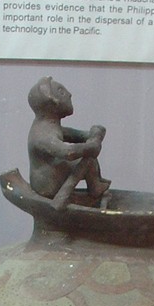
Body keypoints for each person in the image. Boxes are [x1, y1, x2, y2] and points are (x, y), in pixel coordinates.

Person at [27, 77, 110, 208]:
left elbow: (75, 135)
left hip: (52, 175)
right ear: (52, 103)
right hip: (47, 185)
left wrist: (92, 135)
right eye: (61, 92)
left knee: (88, 156)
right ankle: (95, 187)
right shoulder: (42, 134)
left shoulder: (50, 126)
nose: (69, 94)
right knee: (88, 159)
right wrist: (91, 146)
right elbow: (68, 152)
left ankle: (95, 185)